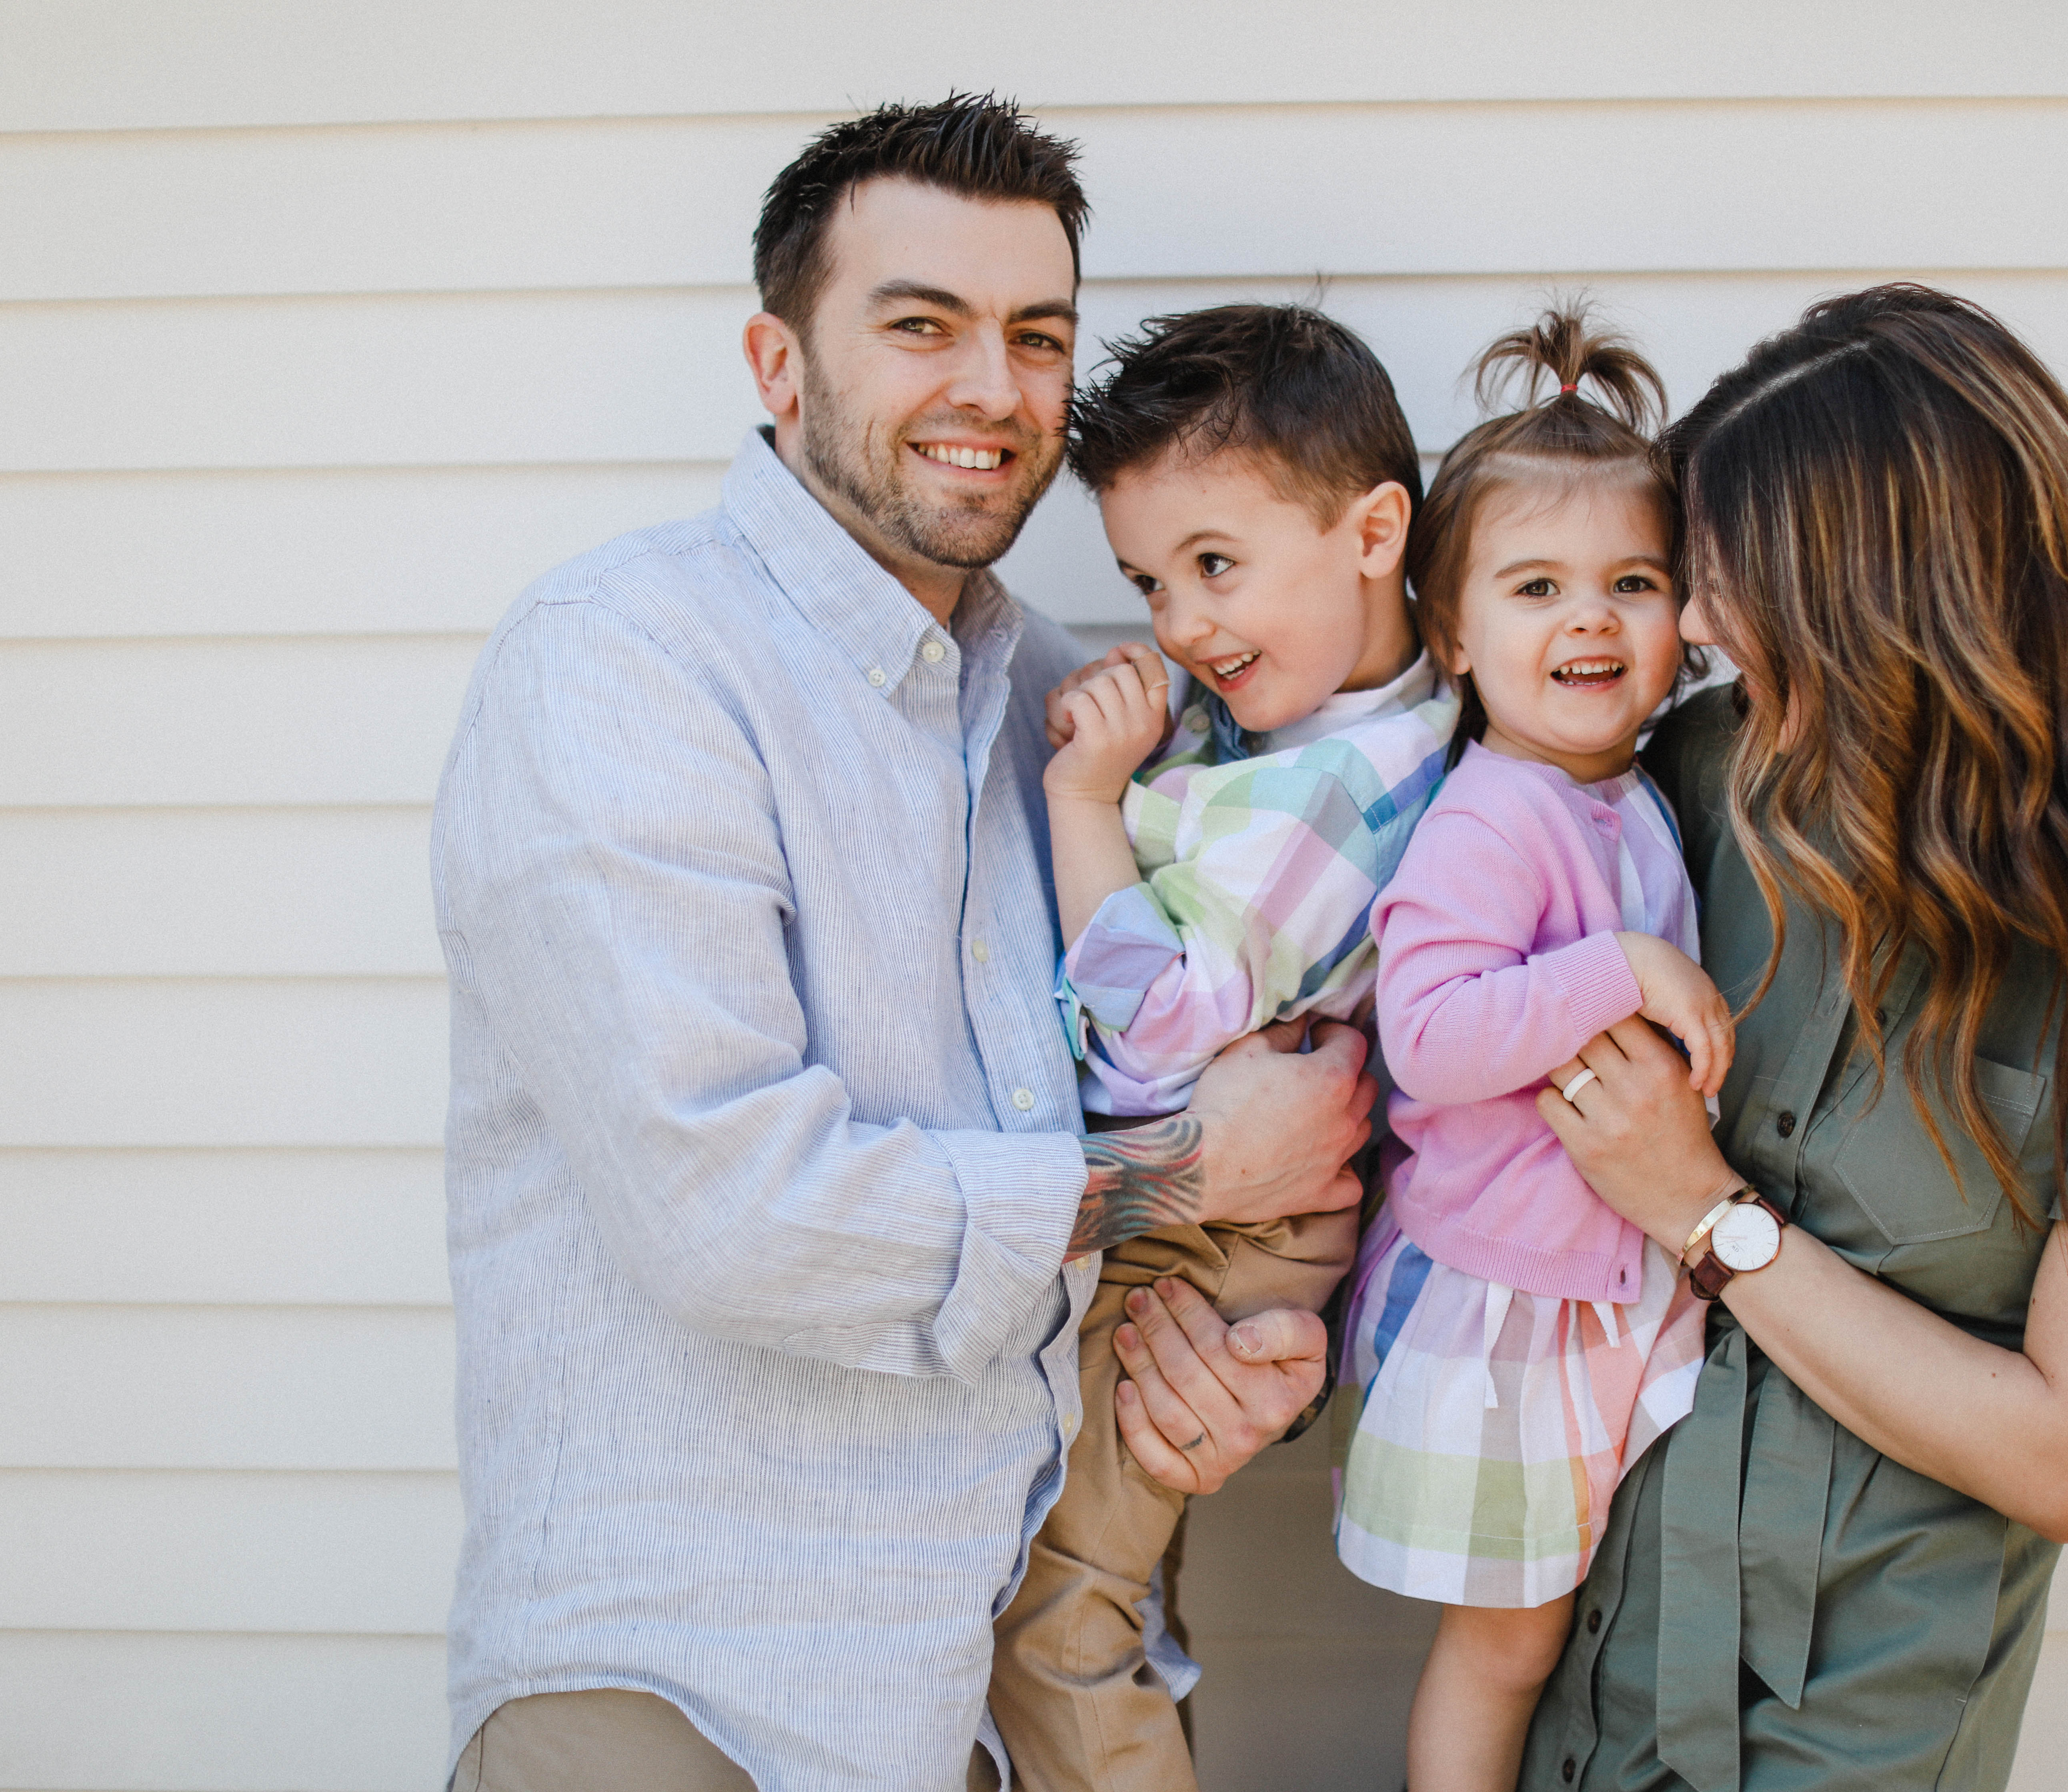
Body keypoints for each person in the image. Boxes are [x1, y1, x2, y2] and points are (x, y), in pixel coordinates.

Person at [429, 98, 1370, 1792]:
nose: (992, 389)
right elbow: (731, 1206)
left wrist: (1226, 1367)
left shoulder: (1076, 712)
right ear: (778, 365)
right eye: (920, 325)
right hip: (689, 1697)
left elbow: (1236, 1094)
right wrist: (1178, 1179)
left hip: (1000, 1707)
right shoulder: (625, 664)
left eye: (1036, 338)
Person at [1514, 284, 2068, 1791]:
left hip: (1860, 1723)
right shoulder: (1703, 780)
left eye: (1731, 586)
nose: (1696, 627)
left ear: (1886, 604)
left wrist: (1707, 1217)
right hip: (1578, 1679)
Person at [987, 304, 1459, 1791]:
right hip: (1239, 1226)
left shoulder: (1328, 798)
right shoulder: (1351, 725)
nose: (1181, 624)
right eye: (1146, 579)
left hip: (1214, 1241)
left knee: (1059, 1616)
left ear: (1376, 529)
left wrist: (1085, 800)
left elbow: (1158, 1031)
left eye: (1215, 567)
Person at [1326, 308, 1737, 1792]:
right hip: (1509, 1307)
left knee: (1568, 1631)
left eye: (1635, 584)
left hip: (1595, 1287)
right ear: (1454, 633)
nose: (1592, 621)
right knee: (1504, 1647)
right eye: (1539, 587)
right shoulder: (1495, 813)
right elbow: (1430, 1038)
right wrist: (1618, 964)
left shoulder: (1626, 796)